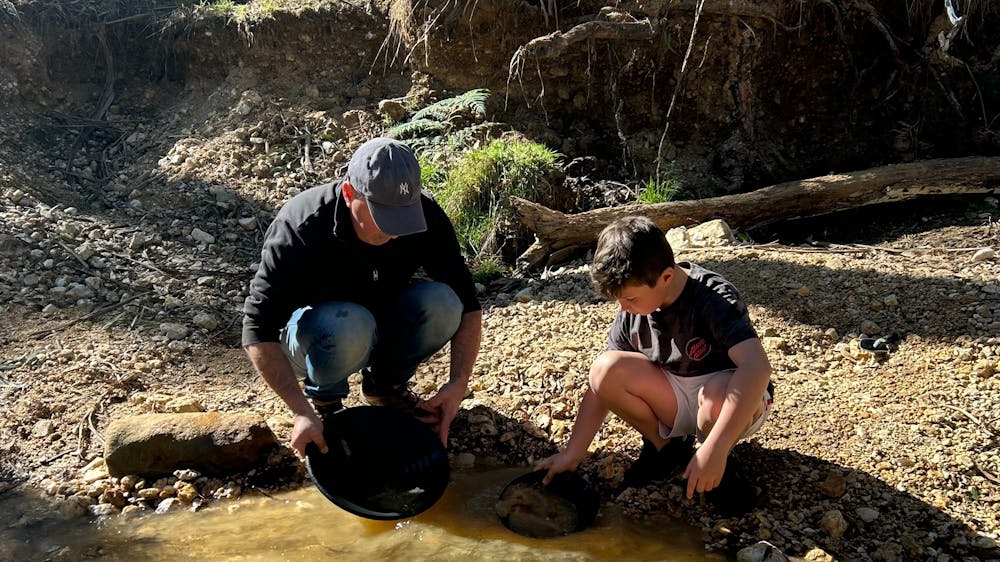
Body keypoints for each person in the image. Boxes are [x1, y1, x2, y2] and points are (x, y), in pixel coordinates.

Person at [242, 137, 482, 457]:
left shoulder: (427, 216)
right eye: (382, 217)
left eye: (403, 217)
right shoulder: (302, 224)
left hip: (378, 323)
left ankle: (385, 388)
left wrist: (458, 382)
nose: (393, 232)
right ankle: (326, 401)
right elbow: (257, 329)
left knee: (445, 303)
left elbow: (469, 305)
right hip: (312, 338)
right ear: (349, 193)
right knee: (351, 322)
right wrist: (300, 411)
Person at [537, 215, 773, 514]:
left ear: (666, 277)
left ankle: (720, 464)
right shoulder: (632, 309)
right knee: (604, 368)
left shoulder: (712, 298)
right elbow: (600, 387)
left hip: (732, 398)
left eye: (631, 298)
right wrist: (573, 453)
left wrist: (715, 448)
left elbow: (757, 368)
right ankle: (666, 448)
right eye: (620, 300)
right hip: (675, 393)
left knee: (713, 399)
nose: (623, 308)